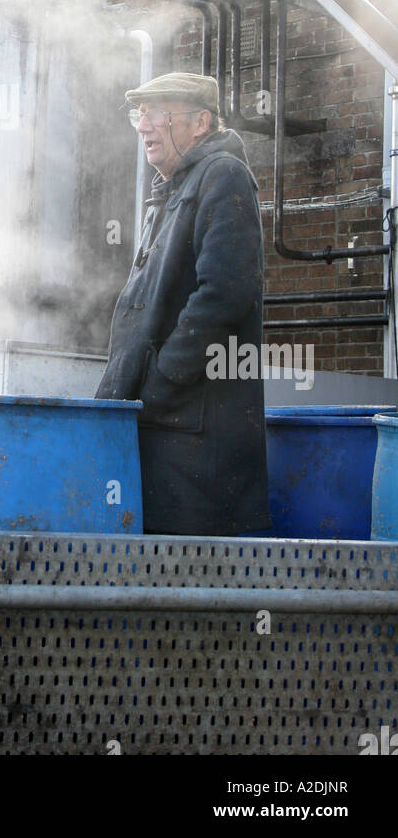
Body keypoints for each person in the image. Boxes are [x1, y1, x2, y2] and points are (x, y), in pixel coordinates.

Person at [96, 72, 270, 536]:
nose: (143, 126)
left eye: (157, 114)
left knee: (189, 590)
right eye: (140, 114)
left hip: (194, 444)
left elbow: (224, 295)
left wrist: (159, 381)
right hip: (165, 431)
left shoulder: (224, 176)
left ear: (200, 123)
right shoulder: (172, 191)